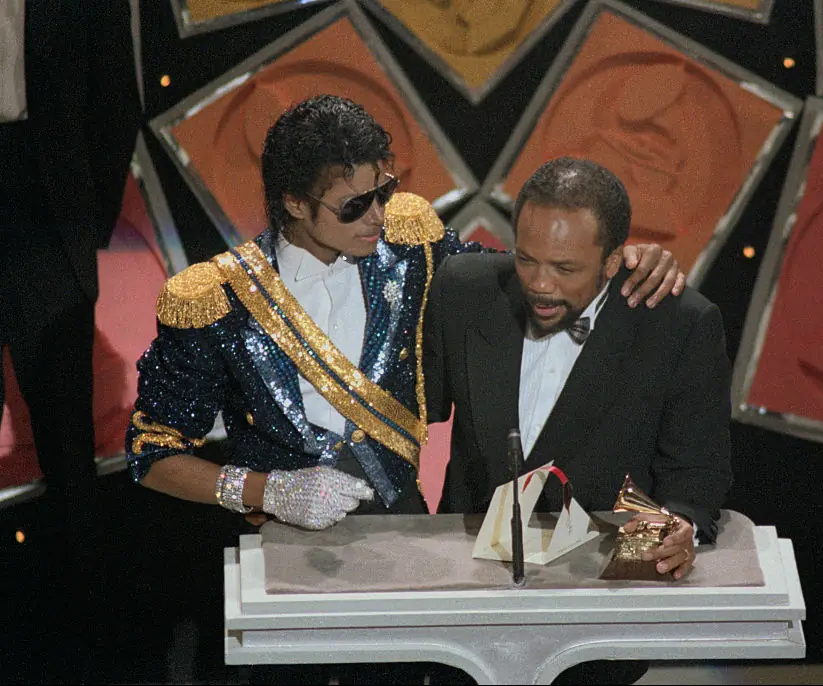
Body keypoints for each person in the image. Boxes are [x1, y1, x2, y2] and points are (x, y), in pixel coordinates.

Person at [124, 95, 684, 682]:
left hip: (404, 543)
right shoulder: (214, 300)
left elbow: (521, 278)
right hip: (283, 559)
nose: (376, 216)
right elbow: (153, 455)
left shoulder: (411, 245)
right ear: (293, 201)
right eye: (354, 204)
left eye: (383, 192)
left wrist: (622, 262)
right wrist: (267, 491)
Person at [423, 156, 734, 685]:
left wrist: (677, 528)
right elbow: (402, 415)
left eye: (565, 268)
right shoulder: (464, 288)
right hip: (466, 607)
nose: (540, 284)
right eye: (526, 259)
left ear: (614, 261)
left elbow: (696, 482)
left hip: (598, 619)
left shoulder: (679, 326)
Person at [0, 0, 140, 680]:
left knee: (67, 451)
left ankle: (84, 648)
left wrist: (86, 231)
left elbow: (118, 100)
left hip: (46, 206)